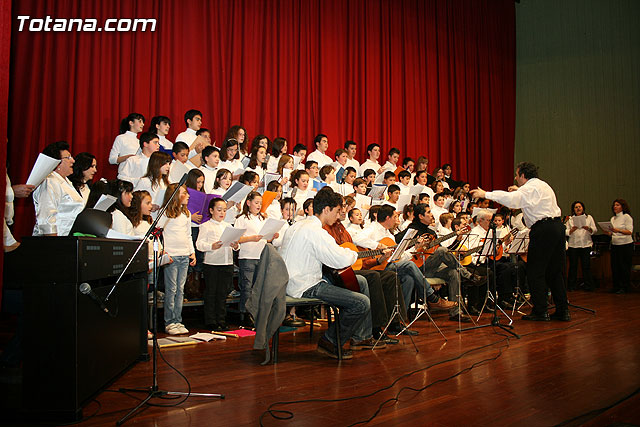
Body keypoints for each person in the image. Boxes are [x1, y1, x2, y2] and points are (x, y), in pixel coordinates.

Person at [279, 188, 371, 359]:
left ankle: (361, 336)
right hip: (305, 285)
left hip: (289, 281)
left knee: (361, 281)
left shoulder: (299, 225)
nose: (338, 216)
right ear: (326, 210)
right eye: (337, 212)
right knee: (361, 303)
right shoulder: (317, 232)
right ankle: (330, 341)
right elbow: (340, 260)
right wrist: (354, 254)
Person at [471, 161, 569, 321]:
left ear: (523, 175)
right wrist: (519, 191)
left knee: (535, 271)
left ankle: (540, 311)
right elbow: (529, 199)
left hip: (543, 230)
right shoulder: (543, 185)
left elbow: (512, 201)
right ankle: (563, 310)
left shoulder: (529, 188)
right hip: (557, 227)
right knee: (554, 272)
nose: (516, 178)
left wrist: (485, 194)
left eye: (517, 175)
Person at [157, 183, 196, 335]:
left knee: (180, 290)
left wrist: (191, 253)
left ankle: (178, 320)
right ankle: (169, 322)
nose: (188, 196)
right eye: (184, 193)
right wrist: (163, 251)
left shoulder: (186, 213)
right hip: (171, 256)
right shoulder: (165, 213)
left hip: (184, 255)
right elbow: (157, 233)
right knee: (171, 289)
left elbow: (188, 235)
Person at [196, 198, 240, 331]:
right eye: (219, 210)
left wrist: (236, 245)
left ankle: (221, 319)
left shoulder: (228, 226)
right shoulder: (205, 226)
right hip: (212, 263)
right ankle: (211, 321)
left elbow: (235, 245)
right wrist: (211, 246)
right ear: (211, 210)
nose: (222, 213)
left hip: (227, 262)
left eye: (225, 210)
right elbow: (199, 244)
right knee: (211, 293)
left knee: (222, 293)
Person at [32, 141, 84, 236]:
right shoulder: (49, 181)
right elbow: (46, 216)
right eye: (67, 158)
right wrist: (53, 244)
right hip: (56, 241)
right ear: (56, 163)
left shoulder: (67, 182)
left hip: (69, 239)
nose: (73, 160)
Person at [565, 201, 597, 291]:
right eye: (576, 207)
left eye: (579, 207)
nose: (578, 208)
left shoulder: (589, 217)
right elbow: (566, 232)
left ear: (583, 208)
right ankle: (571, 286)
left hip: (585, 244)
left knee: (586, 266)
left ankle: (588, 286)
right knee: (573, 266)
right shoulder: (570, 219)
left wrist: (588, 228)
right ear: (573, 209)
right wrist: (572, 230)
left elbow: (595, 230)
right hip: (573, 245)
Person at [606, 199, 634, 294]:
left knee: (624, 266)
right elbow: (613, 232)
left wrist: (618, 230)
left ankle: (625, 287)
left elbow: (629, 231)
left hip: (625, 245)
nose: (615, 206)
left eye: (617, 205)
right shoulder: (613, 219)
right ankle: (616, 286)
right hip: (615, 244)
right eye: (614, 205)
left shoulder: (626, 217)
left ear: (622, 206)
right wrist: (609, 232)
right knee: (615, 266)